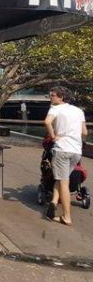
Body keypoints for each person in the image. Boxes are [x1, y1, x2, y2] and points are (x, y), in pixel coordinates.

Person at [44, 87, 88, 226]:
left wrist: (53, 136)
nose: (50, 97)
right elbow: (85, 132)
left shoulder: (55, 108)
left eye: (53, 95)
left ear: (61, 97)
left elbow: (46, 122)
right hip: (76, 151)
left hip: (62, 149)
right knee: (61, 178)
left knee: (64, 182)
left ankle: (66, 217)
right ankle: (53, 202)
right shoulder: (78, 111)